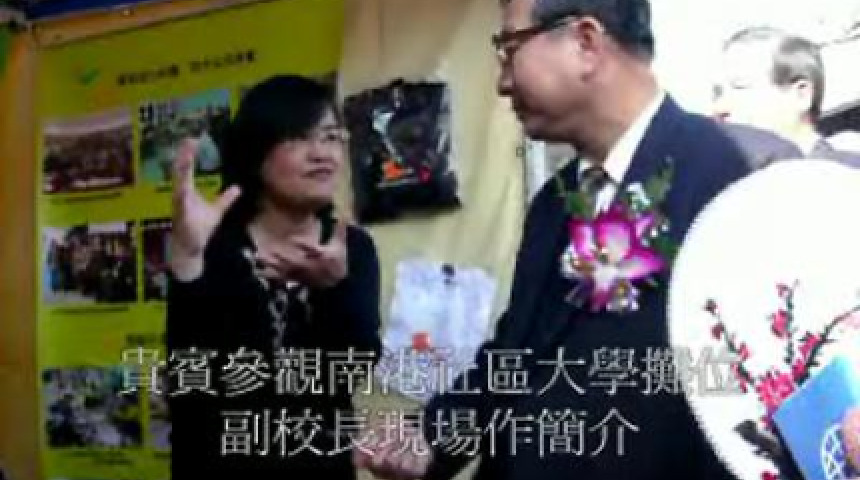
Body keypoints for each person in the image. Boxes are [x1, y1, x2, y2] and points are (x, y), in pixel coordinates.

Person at [352, 1, 798, 479]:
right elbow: (517, 353)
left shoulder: (744, 173)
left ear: (585, 42)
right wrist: (429, 436)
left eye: (509, 49)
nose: (502, 82)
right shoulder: (554, 201)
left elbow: (780, 391)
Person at [167, 75, 382, 479]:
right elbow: (191, 384)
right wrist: (187, 261)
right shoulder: (215, 243)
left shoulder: (353, 248)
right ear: (256, 152)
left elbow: (352, 369)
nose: (322, 154)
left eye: (331, 137)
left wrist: (333, 289)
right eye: (299, 138)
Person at [714, 26, 860, 167]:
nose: (719, 108)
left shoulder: (847, 176)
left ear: (801, 94)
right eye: (717, 94)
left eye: (740, 87)